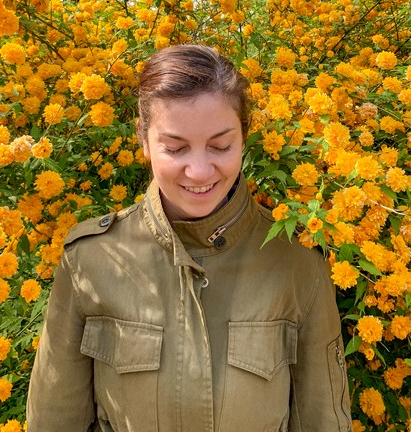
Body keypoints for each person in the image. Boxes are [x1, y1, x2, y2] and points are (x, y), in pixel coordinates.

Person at [27, 44, 352, 432]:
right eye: (175, 147)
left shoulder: (298, 262)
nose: (199, 171)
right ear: (144, 141)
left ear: (244, 138)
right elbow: (54, 420)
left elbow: (323, 420)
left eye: (221, 146)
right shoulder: (90, 260)